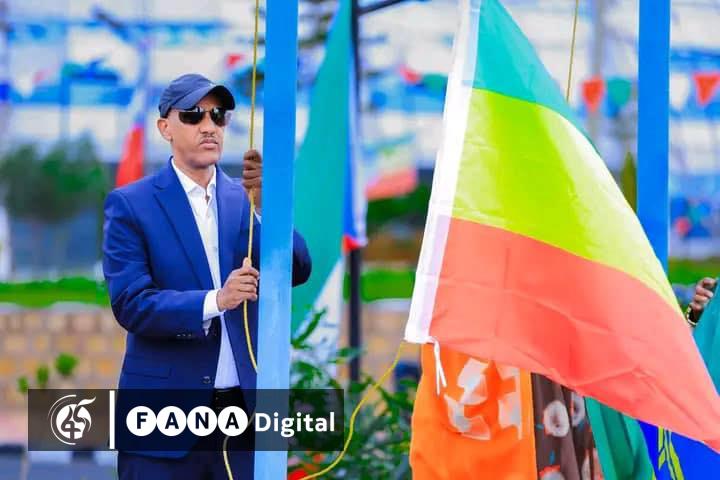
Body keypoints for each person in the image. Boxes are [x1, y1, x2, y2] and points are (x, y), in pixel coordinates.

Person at [102, 73, 312, 479]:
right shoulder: (131, 204)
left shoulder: (244, 197)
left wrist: (268, 209)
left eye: (218, 116)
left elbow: (298, 269)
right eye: (193, 114)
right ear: (165, 127)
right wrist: (217, 300)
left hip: (242, 420)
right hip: (162, 421)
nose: (209, 126)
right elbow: (131, 304)